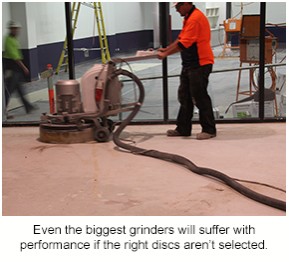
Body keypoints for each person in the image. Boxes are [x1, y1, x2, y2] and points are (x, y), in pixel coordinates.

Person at [158, 2, 216, 140]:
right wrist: (166, 49)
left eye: (178, 7)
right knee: (184, 96)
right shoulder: (189, 17)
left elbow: (184, 44)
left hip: (200, 64)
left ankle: (209, 129)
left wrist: (165, 55)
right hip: (190, 64)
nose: (177, 11)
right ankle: (183, 128)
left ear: (186, 4)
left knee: (200, 97)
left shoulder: (195, 18)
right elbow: (180, 39)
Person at [3, 20, 36, 114]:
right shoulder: (8, 40)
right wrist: (24, 67)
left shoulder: (14, 39)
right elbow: (15, 57)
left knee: (19, 88)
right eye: (14, 29)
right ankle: (2, 108)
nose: (16, 31)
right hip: (11, 67)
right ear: (11, 29)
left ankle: (28, 107)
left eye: (17, 29)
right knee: (9, 90)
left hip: (15, 68)